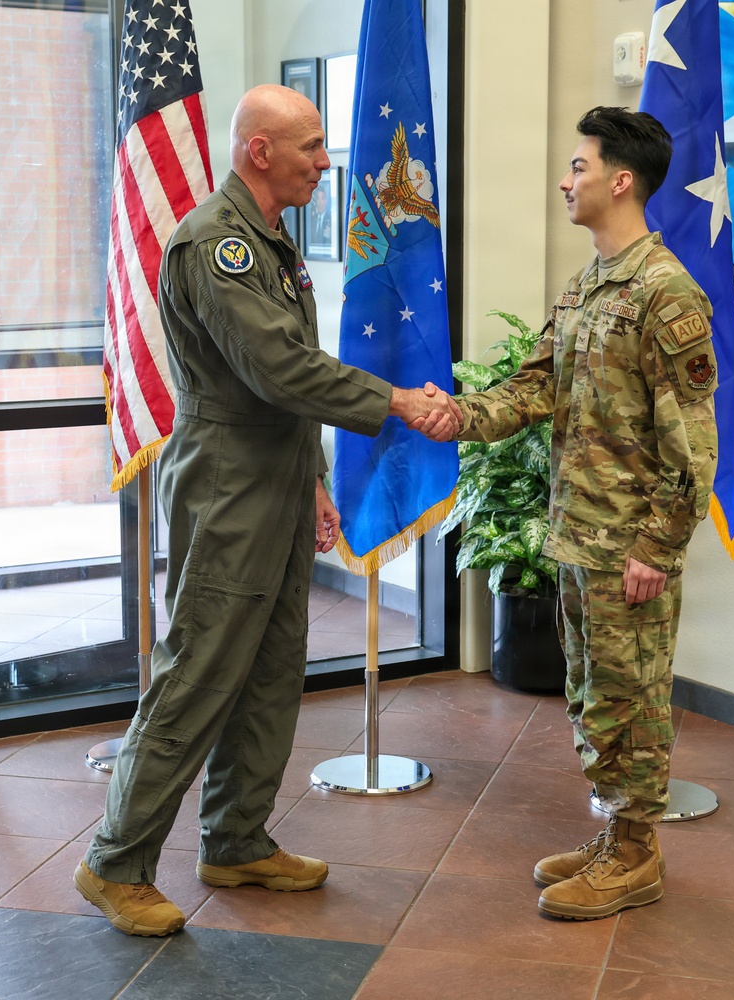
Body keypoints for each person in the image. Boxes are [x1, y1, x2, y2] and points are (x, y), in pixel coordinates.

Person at [74, 84, 458, 937]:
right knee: (199, 673)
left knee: (272, 669)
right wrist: (395, 399)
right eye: (312, 147)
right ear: (261, 153)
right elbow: (280, 371)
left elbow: (284, 379)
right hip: (229, 485)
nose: (326, 162)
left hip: (277, 476)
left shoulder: (270, 237)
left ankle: (236, 840)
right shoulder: (217, 246)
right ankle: (115, 861)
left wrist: (314, 480)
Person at [421, 106, 718, 920]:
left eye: (579, 166)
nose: (566, 179)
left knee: (635, 698)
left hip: (629, 547)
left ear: (621, 180)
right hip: (579, 536)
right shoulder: (587, 285)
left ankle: (635, 855)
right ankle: (617, 835)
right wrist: (461, 415)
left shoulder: (665, 294)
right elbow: (537, 388)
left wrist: (657, 545)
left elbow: (694, 446)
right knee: (591, 692)